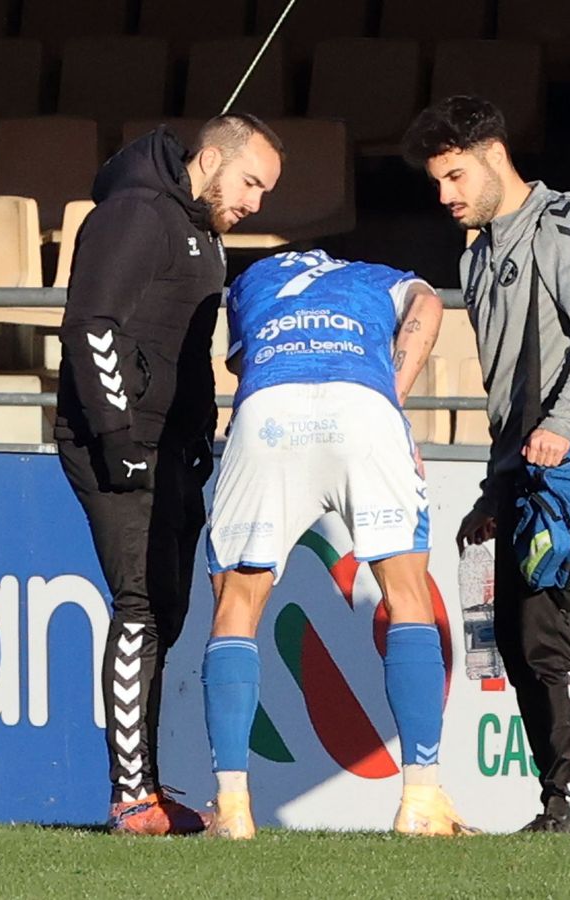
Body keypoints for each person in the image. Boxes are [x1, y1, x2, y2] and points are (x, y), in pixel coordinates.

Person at [401, 96, 570, 834]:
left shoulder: (565, 221)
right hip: (523, 472)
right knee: (519, 636)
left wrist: (561, 428)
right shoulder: (477, 252)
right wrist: (495, 487)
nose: (446, 195)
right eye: (438, 181)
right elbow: (509, 388)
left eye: (456, 175)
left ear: (495, 154)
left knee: (553, 634)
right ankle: (556, 807)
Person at [56, 114, 283, 836]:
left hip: (175, 447)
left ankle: (148, 789)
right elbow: (92, 324)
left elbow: (185, 347)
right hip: (117, 442)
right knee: (141, 605)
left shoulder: (203, 234)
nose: (254, 203)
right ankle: (131, 799)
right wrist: (117, 432)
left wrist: (200, 433)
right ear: (211, 158)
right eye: (250, 182)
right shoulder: (135, 212)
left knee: (168, 613)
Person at [199, 249, 476, 839]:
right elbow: (430, 304)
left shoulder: (251, 280)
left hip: (268, 413)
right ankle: (421, 801)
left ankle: (231, 808)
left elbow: (243, 365)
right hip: (364, 409)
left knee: (237, 607)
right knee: (406, 596)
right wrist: (391, 400)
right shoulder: (383, 276)